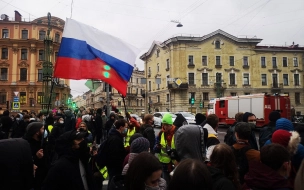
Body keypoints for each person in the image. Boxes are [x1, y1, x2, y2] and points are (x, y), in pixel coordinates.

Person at [24, 122, 48, 190]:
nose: (44, 131)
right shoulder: (27, 144)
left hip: (44, 174)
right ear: (37, 132)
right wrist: (36, 157)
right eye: (43, 129)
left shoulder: (43, 143)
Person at [104, 119, 128, 184]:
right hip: (115, 167)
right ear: (121, 127)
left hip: (113, 166)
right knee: (114, 182)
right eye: (126, 127)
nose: (126, 129)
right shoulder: (115, 139)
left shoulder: (116, 136)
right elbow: (115, 155)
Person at [154, 113, 176, 183]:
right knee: (165, 183)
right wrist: (158, 147)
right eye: (164, 124)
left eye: (167, 125)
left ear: (171, 125)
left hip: (174, 164)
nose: (165, 127)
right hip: (164, 164)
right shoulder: (161, 133)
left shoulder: (176, 133)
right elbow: (155, 149)